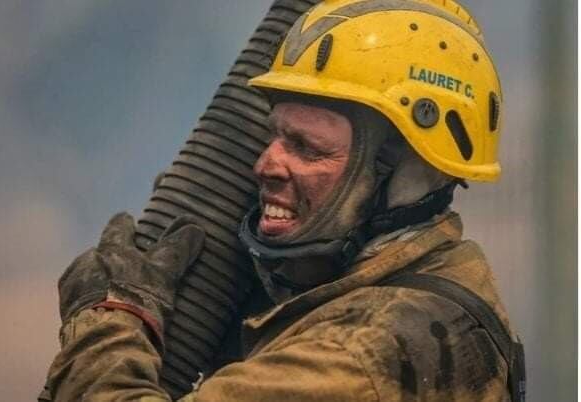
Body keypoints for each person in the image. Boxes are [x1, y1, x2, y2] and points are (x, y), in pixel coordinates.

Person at [40, 0, 525, 401]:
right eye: (273, 137)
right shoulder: (408, 283)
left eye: (307, 147)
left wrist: (112, 321)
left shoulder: (365, 350)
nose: (265, 165)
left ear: (406, 177)